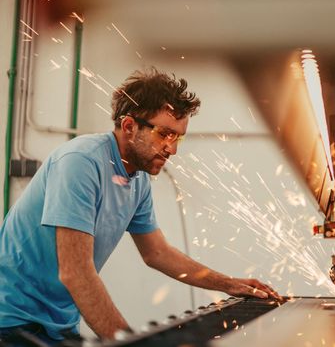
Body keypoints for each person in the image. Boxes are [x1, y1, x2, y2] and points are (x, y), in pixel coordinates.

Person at [0, 68, 279, 344]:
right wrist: (128, 341)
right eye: (164, 134)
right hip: (11, 319)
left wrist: (231, 284)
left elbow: (157, 253)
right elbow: (76, 272)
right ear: (129, 126)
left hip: (56, 324)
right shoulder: (80, 162)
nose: (173, 149)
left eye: (177, 137)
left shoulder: (137, 179)